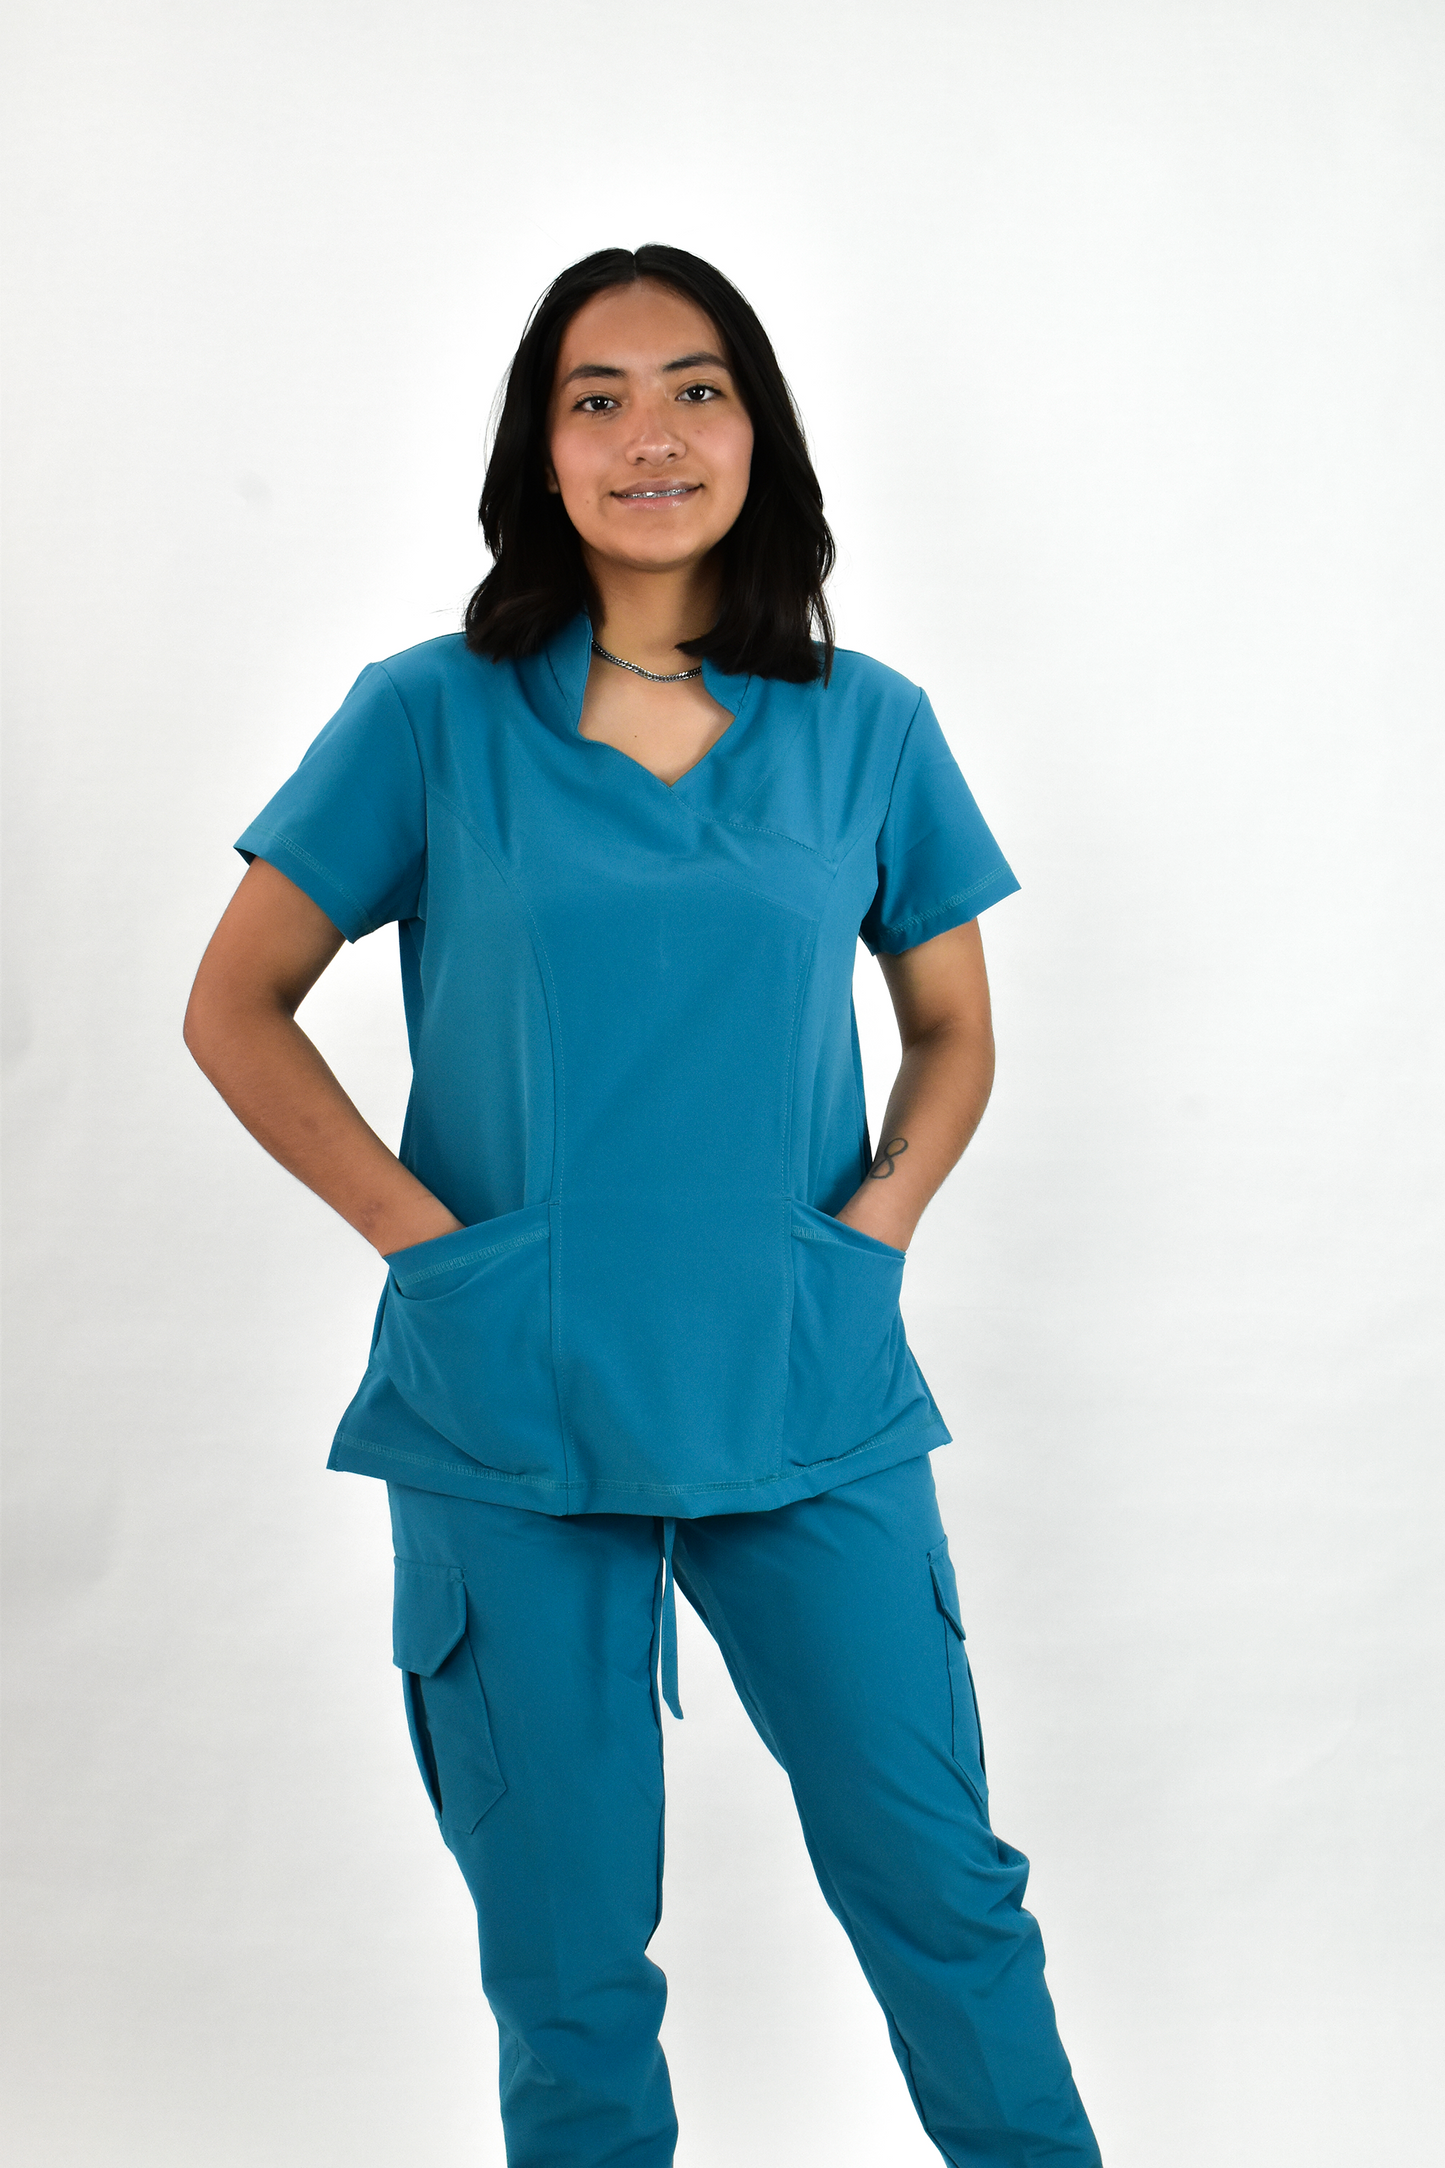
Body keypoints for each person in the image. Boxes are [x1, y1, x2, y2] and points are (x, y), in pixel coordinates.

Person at [183, 243, 1103, 2168]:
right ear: (541, 451)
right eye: (594, 399)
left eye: (695, 389)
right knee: (570, 1965)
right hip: (505, 1404)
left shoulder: (869, 725)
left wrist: (875, 1231)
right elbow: (234, 1003)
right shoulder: (428, 717)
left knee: (945, 1900)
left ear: (758, 431)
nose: (649, 436)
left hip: (810, 1384)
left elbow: (951, 1031)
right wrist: (428, 1246)